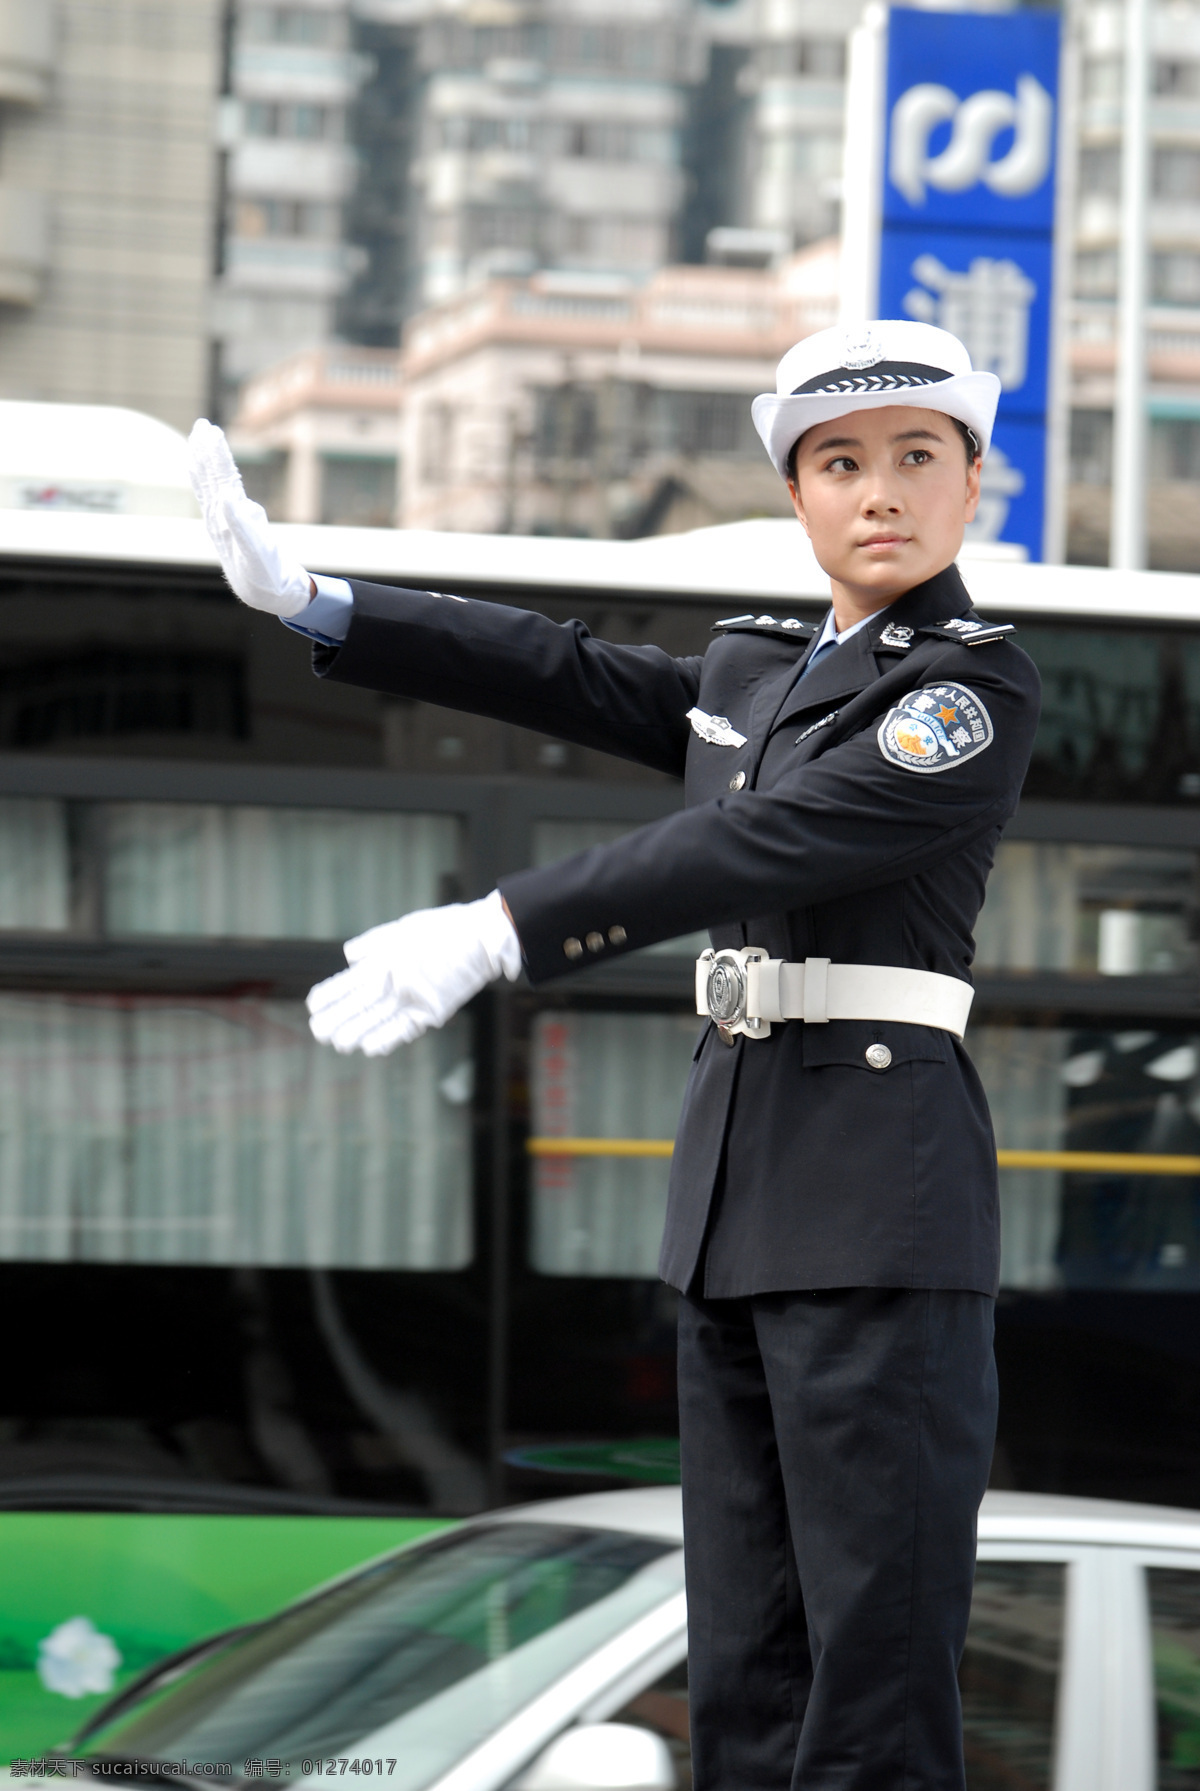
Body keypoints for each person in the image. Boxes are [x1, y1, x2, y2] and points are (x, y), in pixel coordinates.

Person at [189, 317, 1041, 1790]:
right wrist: (321, 601)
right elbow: (562, 669)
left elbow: (759, 841)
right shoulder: (762, 678)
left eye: (918, 458)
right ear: (800, 497)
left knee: (871, 1679)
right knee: (743, 1676)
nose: (881, 493)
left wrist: (502, 926)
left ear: (977, 483)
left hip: (877, 1206)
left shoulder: (966, 695)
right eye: (840, 463)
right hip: (735, 1204)